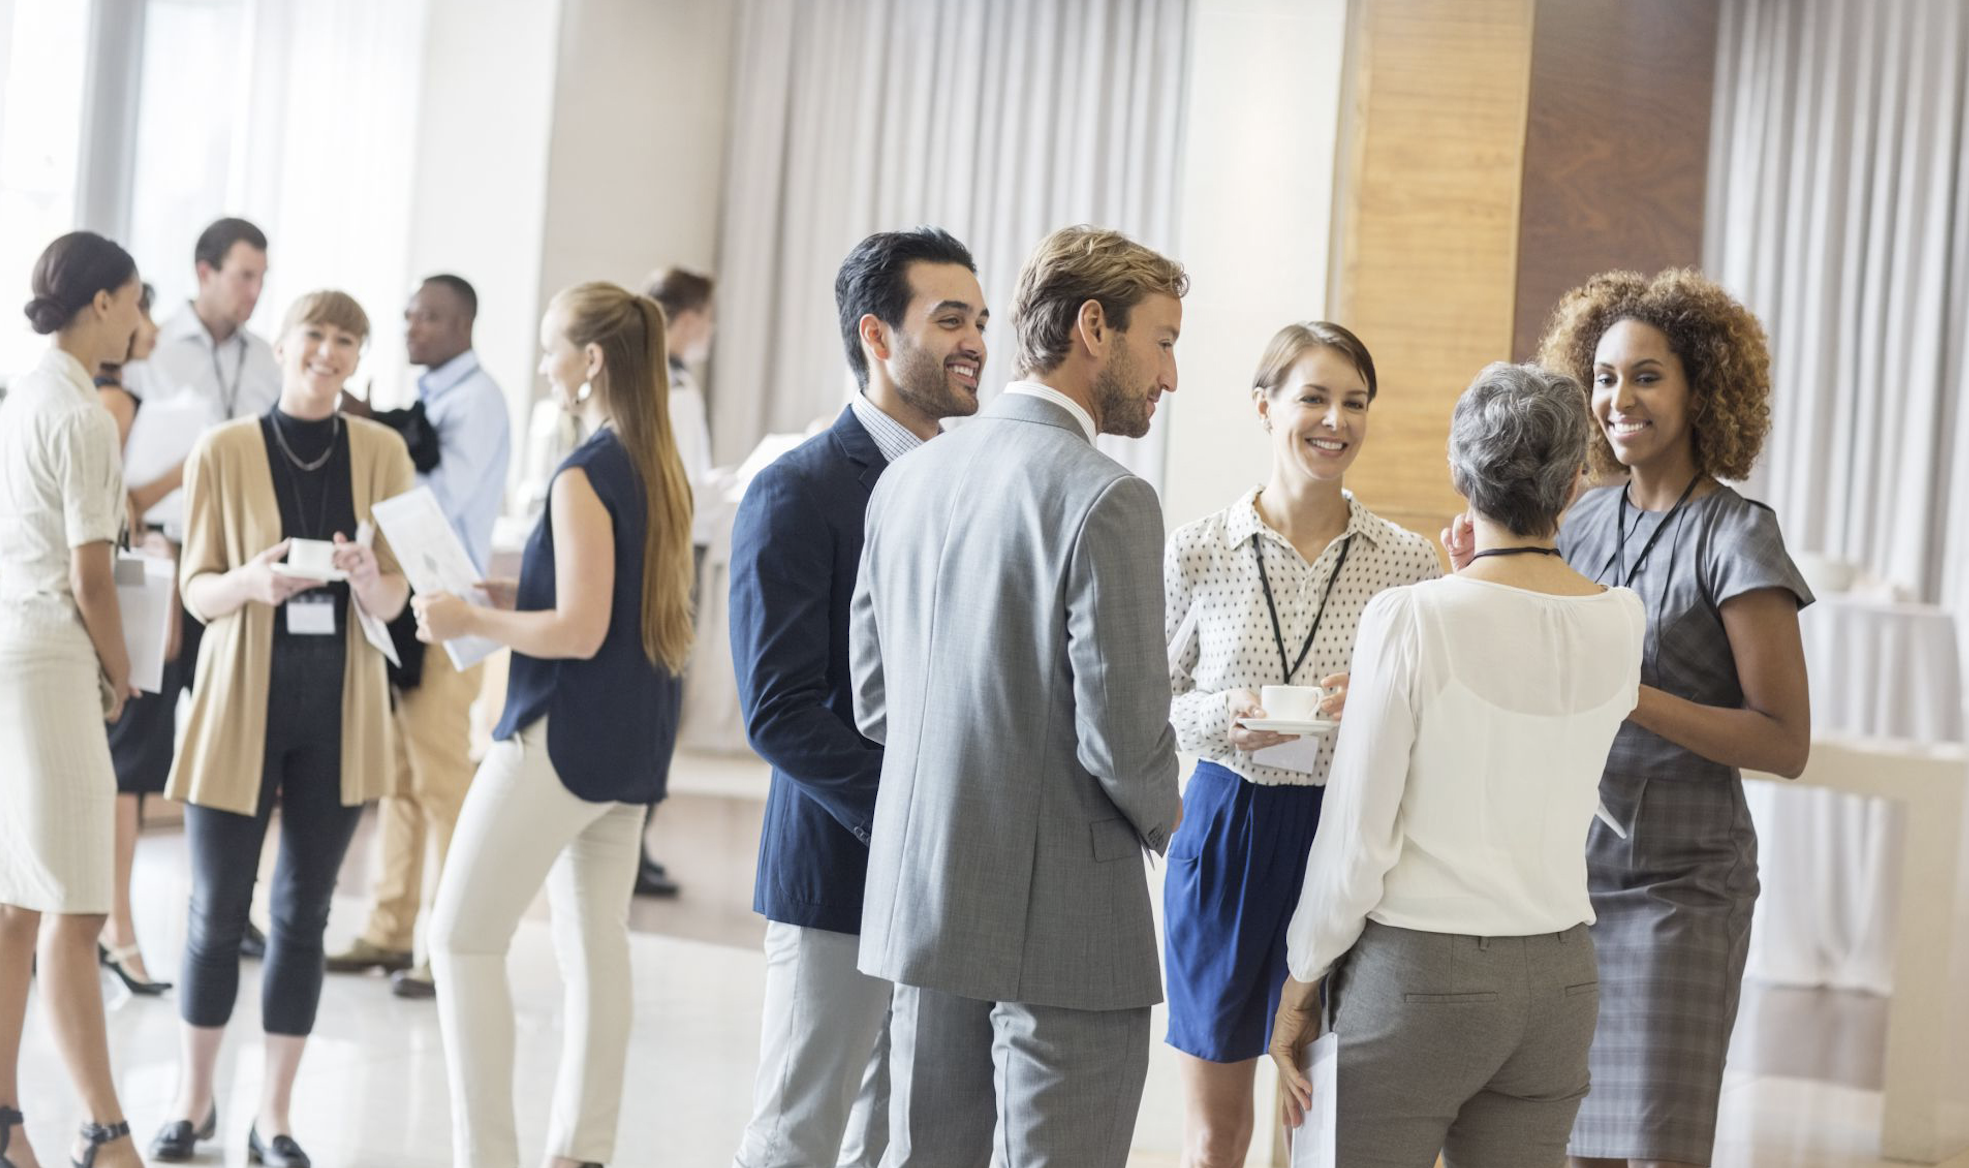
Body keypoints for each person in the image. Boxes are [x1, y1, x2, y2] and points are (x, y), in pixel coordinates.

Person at [1445, 270, 1811, 1168]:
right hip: (1565, 884)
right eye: (1604, 378)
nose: (1618, 399)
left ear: (1700, 388)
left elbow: (1783, 741)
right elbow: (1532, 669)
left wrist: (1628, 693)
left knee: (1656, 1145)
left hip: (1681, 892)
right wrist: (1474, 580)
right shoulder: (1577, 521)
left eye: (1647, 376)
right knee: (1568, 1144)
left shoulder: (1736, 535)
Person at [849, 225, 1187, 1166]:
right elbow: (1122, 742)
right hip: (1068, 920)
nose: (1170, 376)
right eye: (1162, 342)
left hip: (924, 901)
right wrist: (1183, 830)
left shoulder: (906, 480)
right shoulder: (1107, 497)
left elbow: (876, 703)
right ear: (1094, 328)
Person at [1267, 361, 1645, 1165]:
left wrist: (1300, 985)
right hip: (1560, 981)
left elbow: (1355, 843)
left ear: (1459, 473)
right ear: (1572, 486)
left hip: (1419, 976)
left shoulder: (1409, 618)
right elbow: (1521, 672)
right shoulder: (1621, 619)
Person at [727, 227, 988, 1168]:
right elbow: (780, 710)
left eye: (980, 321)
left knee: (889, 1137)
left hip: (950, 881)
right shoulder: (795, 491)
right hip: (841, 867)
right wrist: (914, 817)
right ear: (877, 336)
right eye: (949, 320)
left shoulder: (971, 487)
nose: (975, 343)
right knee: (796, 1132)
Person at [418, 281, 693, 1168]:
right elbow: (603, 598)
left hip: (562, 739)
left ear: (592, 360)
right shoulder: (655, 462)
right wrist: (513, 593)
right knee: (594, 947)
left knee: (459, 938)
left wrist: (468, 620)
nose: (542, 365)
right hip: (632, 745)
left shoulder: (583, 473)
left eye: (551, 349)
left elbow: (578, 631)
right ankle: (582, 1152)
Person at [1161, 321, 1439, 1167]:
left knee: (1320, 1125)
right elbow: (1143, 704)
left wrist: (1379, 706)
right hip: (1226, 829)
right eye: (1313, 398)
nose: (1335, 421)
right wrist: (1225, 717)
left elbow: (1437, 717)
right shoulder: (1198, 549)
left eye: (1354, 402)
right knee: (1217, 1135)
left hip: (1346, 832)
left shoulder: (1407, 563)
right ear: (1263, 407)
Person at [149, 291, 414, 1168]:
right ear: (284, 345)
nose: (328, 353)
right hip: (238, 699)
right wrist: (251, 584)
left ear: (358, 356)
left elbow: (396, 598)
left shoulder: (383, 452)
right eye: (315, 335)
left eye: (346, 341)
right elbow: (197, 589)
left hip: (339, 702)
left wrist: (370, 576)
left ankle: (275, 1114)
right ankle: (193, 1102)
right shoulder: (224, 448)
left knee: (303, 916)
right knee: (215, 910)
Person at [0, 230, 148, 1168]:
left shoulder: (22, 395)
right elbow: (93, 577)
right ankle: (104, 1130)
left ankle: (7, 1123)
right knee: (78, 908)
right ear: (100, 303)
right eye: (133, 300)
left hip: (10, 649)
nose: (138, 319)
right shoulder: (85, 416)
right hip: (55, 659)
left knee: (19, 902)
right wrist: (122, 669)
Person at [326, 274, 510, 999]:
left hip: (446, 601)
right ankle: (388, 928)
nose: (413, 328)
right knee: (401, 775)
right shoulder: (430, 398)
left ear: (464, 324)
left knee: (441, 777)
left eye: (429, 317)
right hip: (404, 598)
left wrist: (375, 434)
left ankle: (452, 943)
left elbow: (440, 498)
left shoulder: (477, 400)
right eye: (407, 316)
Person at [126, 215, 282, 961]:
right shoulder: (149, 350)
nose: (254, 292)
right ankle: (114, 923)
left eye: (261, 279)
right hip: (163, 556)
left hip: (238, 565)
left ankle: (226, 909)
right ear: (205, 272)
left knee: (233, 741)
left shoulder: (267, 361)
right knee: (140, 741)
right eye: (244, 275)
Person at [93, 280, 175, 996]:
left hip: (124, 585)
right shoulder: (114, 402)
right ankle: (117, 927)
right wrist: (186, 472)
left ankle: (108, 925)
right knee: (125, 768)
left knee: (124, 768)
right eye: (144, 310)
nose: (152, 327)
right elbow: (111, 508)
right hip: (120, 594)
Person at [631, 266, 717, 900]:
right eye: (708, 319)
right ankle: (631, 844)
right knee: (657, 700)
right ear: (687, 320)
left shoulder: (658, 378)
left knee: (655, 701)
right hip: (669, 558)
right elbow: (680, 486)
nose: (709, 331)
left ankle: (635, 842)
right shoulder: (669, 387)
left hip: (663, 551)